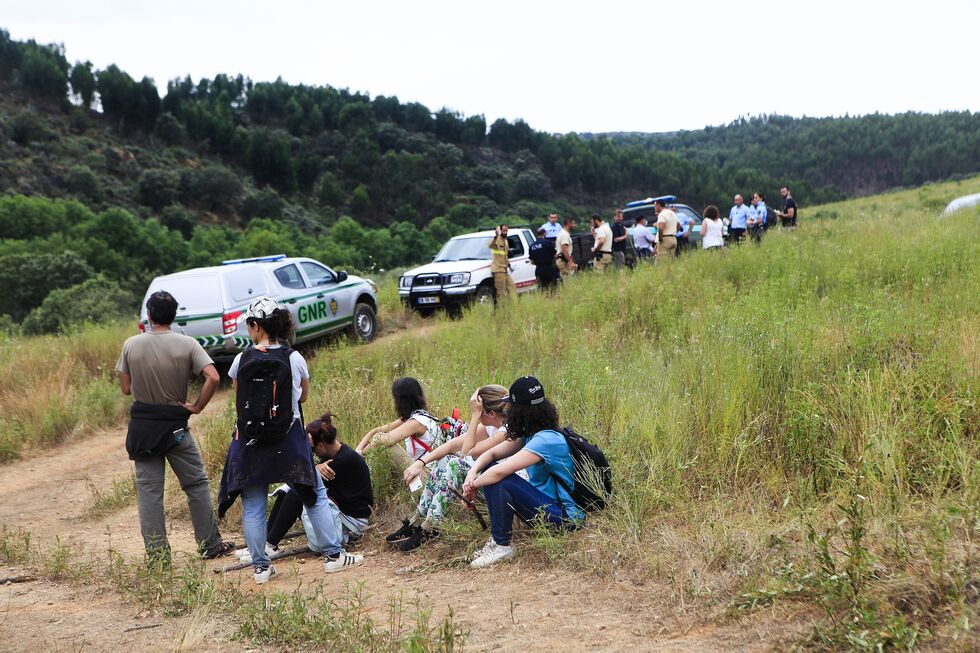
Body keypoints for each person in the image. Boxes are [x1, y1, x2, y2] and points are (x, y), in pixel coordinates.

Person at [217, 296, 363, 584]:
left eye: (249, 325)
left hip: (250, 441)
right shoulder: (294, 358)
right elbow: (303, 397)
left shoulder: (240, 360)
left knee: (255, 504)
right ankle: (334, 556)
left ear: (256, 325)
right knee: (315, 495)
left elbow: (238, 397)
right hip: (289, 439)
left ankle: (261, 567)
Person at [116, 290, 234, 563]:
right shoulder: (187, 344)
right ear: (174, 315)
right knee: (196, 485)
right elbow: (213, 377)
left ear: (149, 315)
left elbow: (125, 389)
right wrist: (196, 406)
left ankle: (158, 556)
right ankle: (210, 545)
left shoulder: (131, 344)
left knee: (150, 492)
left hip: (144, 429)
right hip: (175, 429)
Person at [462, 376, 584, 568]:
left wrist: (472, 486)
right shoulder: (531, 434)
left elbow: (499, 473)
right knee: (489, 469)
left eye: (511, 407)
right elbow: (491, 453)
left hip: (565, 519)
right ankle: (497, 542)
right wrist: (472, 474)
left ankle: (502, 545)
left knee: (497, 477)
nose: (507, 412)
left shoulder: (546, 440)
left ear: (521, 411)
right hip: (544, 508)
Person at [235, 412, 373, 563]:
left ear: (321, 445)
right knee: (286, 492)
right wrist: (315, 467)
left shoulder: (340, 461)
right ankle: (266, 543)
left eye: (313, 449)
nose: (312, 453)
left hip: (353, 519)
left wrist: (314, 468)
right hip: (342, 507)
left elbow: (302, 480)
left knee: (297, 494)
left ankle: (269, 545)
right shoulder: (337, 454)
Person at [395, 385, 514, 551]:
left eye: (479, 412)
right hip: (489, 482)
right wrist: (420, 463)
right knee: (444, 459)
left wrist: (473, 417)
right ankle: (419, 520)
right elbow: (452, 445)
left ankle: (431, 526)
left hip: (503, 492)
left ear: (491, 413)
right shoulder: (492, 425)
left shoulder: (505, 431)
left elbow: (466, 452)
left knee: (455, 464)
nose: (478, 417)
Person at [355, 377, 453, 544]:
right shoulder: (414, 418)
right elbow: (375, 431)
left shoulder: (416, 422)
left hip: (429, 479)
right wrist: (358, 450)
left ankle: (365, 496)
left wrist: (360, 456)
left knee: (386, 444)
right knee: (380, 439)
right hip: (423, 474)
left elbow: (381, 440)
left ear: (399, 400)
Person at [487, 224, 516, 303]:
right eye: (504, 231)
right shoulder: (497, 239)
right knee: (501, 292)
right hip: (498, 269)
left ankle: (514, 307)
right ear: (500, 230)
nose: (505, 232)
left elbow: (505, 255)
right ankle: (502, 310)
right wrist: (496, 236)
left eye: (506, 231)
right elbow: (490, 245)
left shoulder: (506, 240)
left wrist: (509, 265)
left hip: (505, 269)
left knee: (512, 288)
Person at [528, 227, 560, 293]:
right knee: (554, 289)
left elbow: (532, 262)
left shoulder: (531, 246)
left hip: (539, 270)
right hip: (549, 269)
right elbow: (555, 255)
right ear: (544, 233)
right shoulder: (548, 243)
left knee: (543, 291)